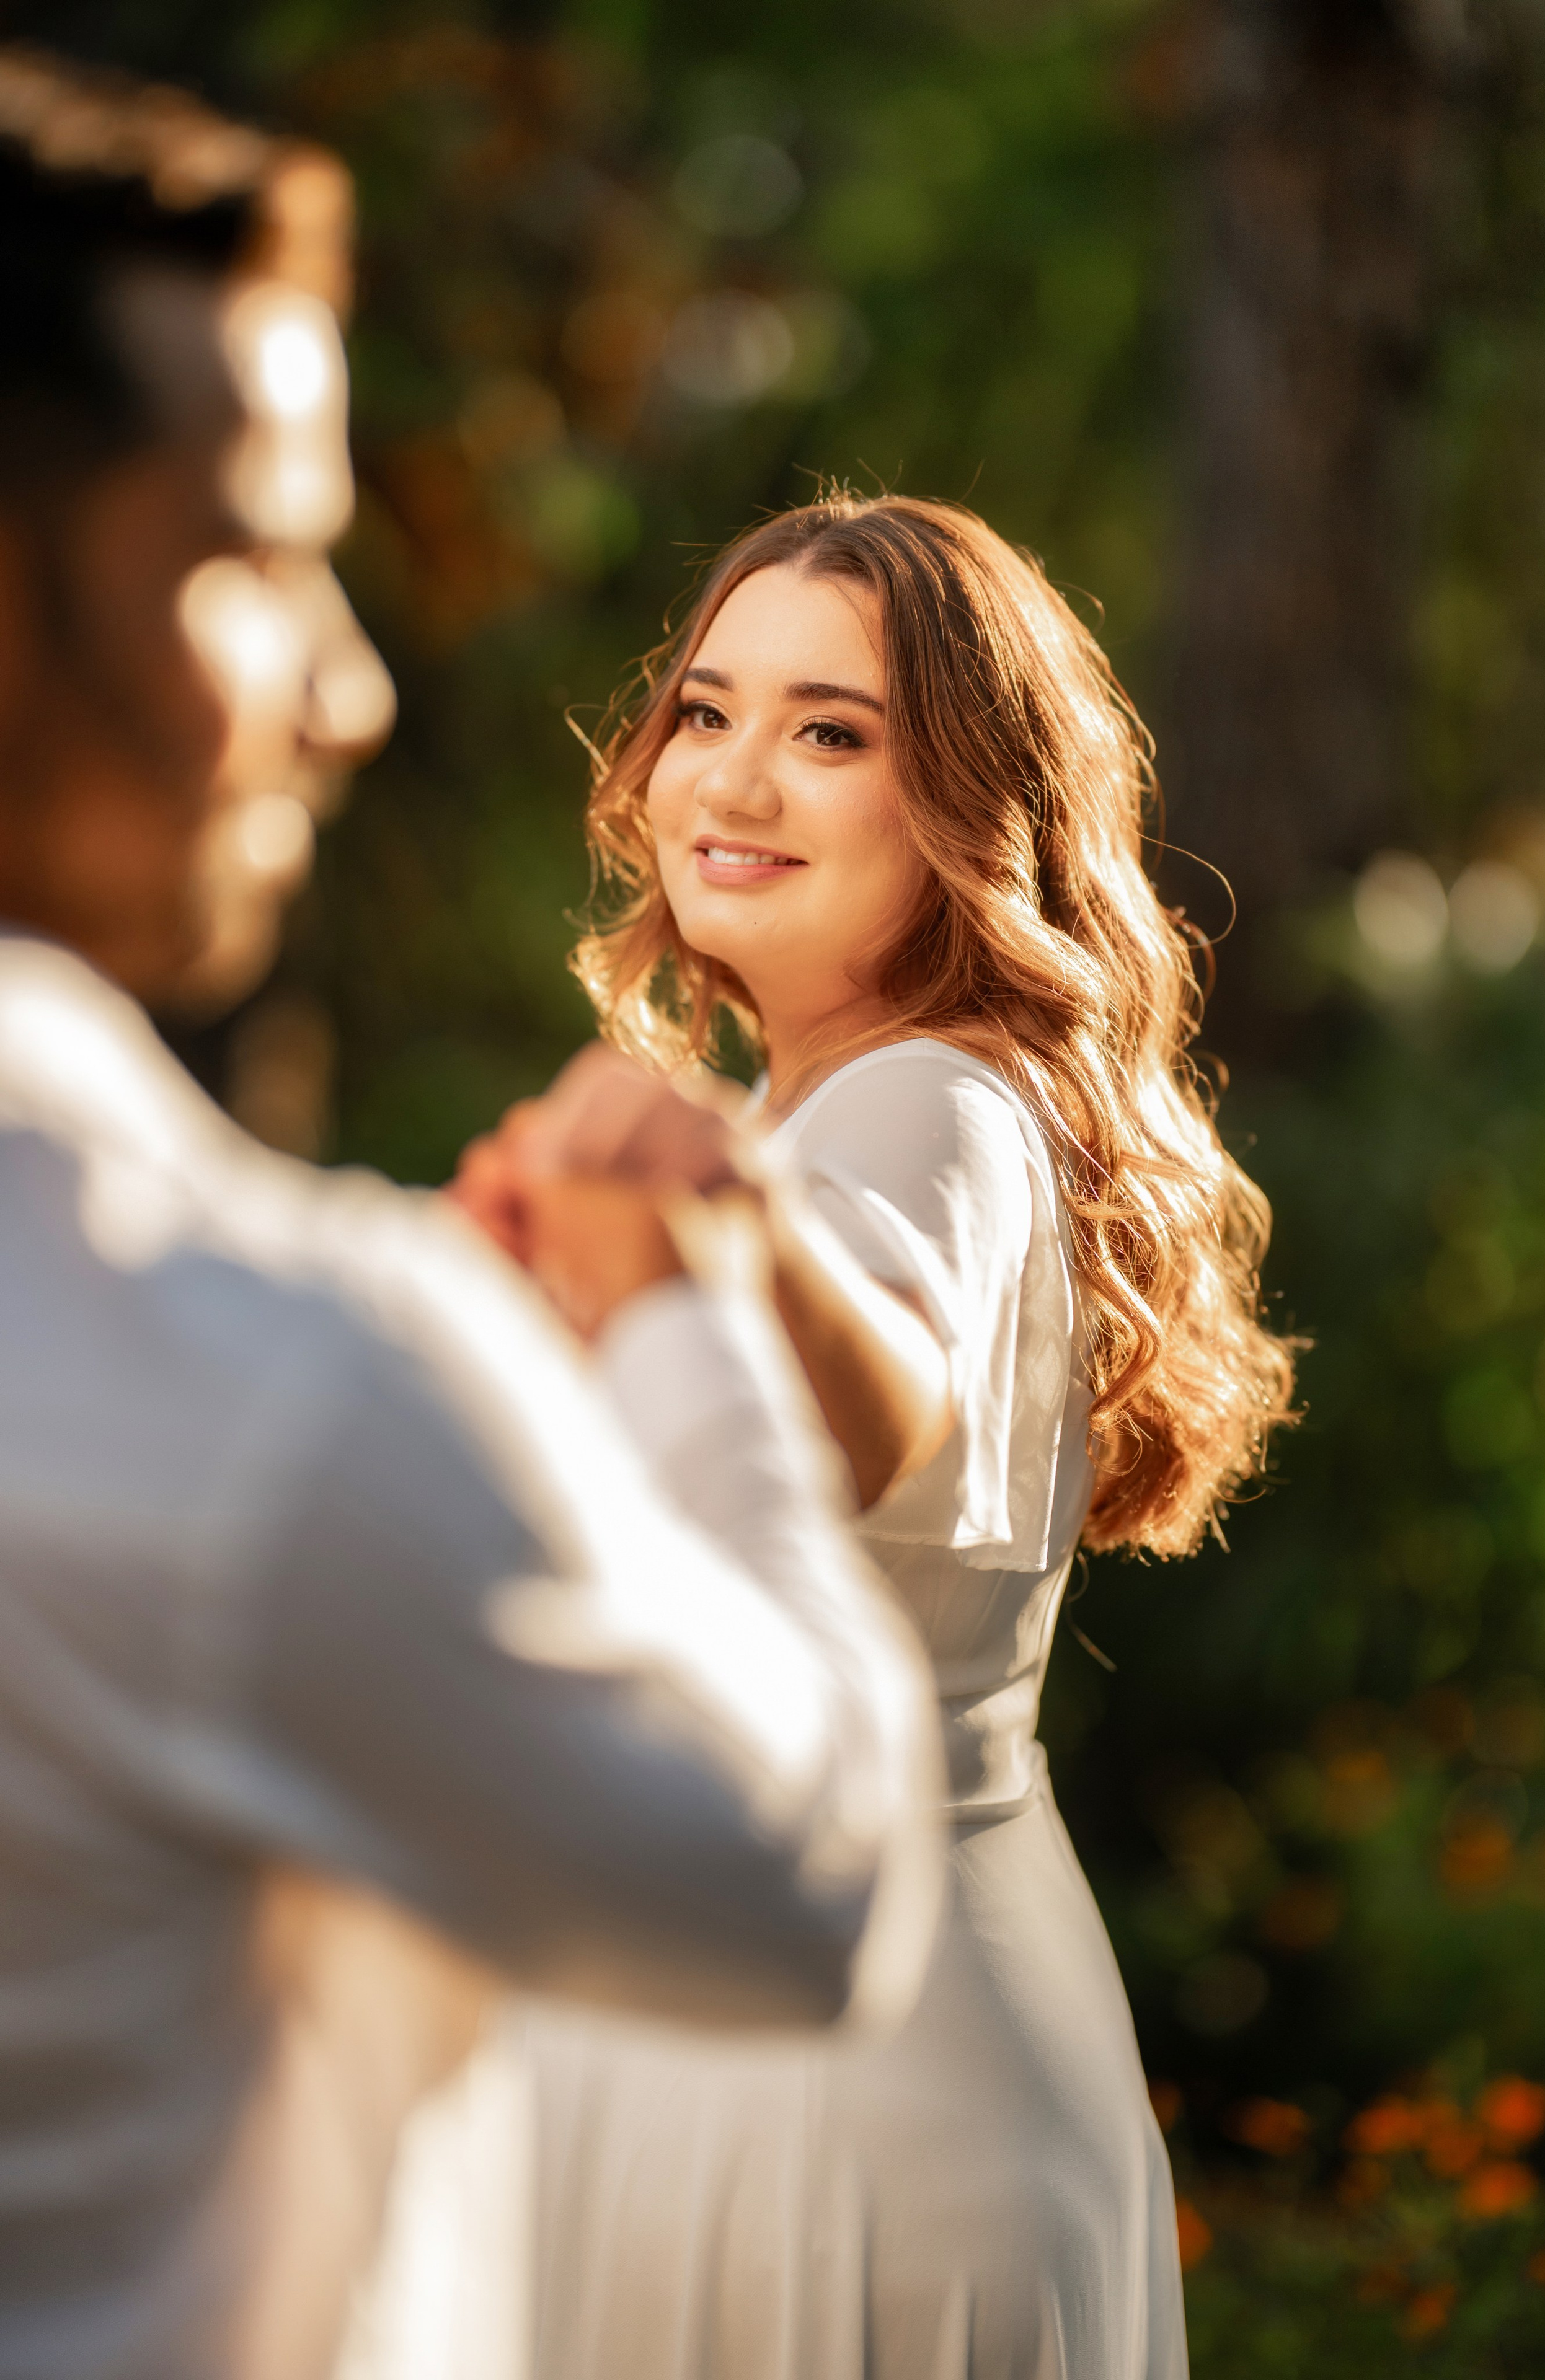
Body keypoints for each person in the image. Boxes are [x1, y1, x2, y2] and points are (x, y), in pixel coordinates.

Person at [0, 57, 945, 2380]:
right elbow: (802, 1875)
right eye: (254, 554)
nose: (352, 689)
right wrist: (681, 1321)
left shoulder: (939, 1125)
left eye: (831, 730)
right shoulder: (265, 1372)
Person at [427, 492, 1298, 2380]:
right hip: (814, 2041)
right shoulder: (819, 1115)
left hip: (846, 2092)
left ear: (972, 810)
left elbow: (858, 1394)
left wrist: (699, 1244)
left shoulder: (928, 1110)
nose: (734, 779)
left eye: (834, 733)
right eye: (707, 713)